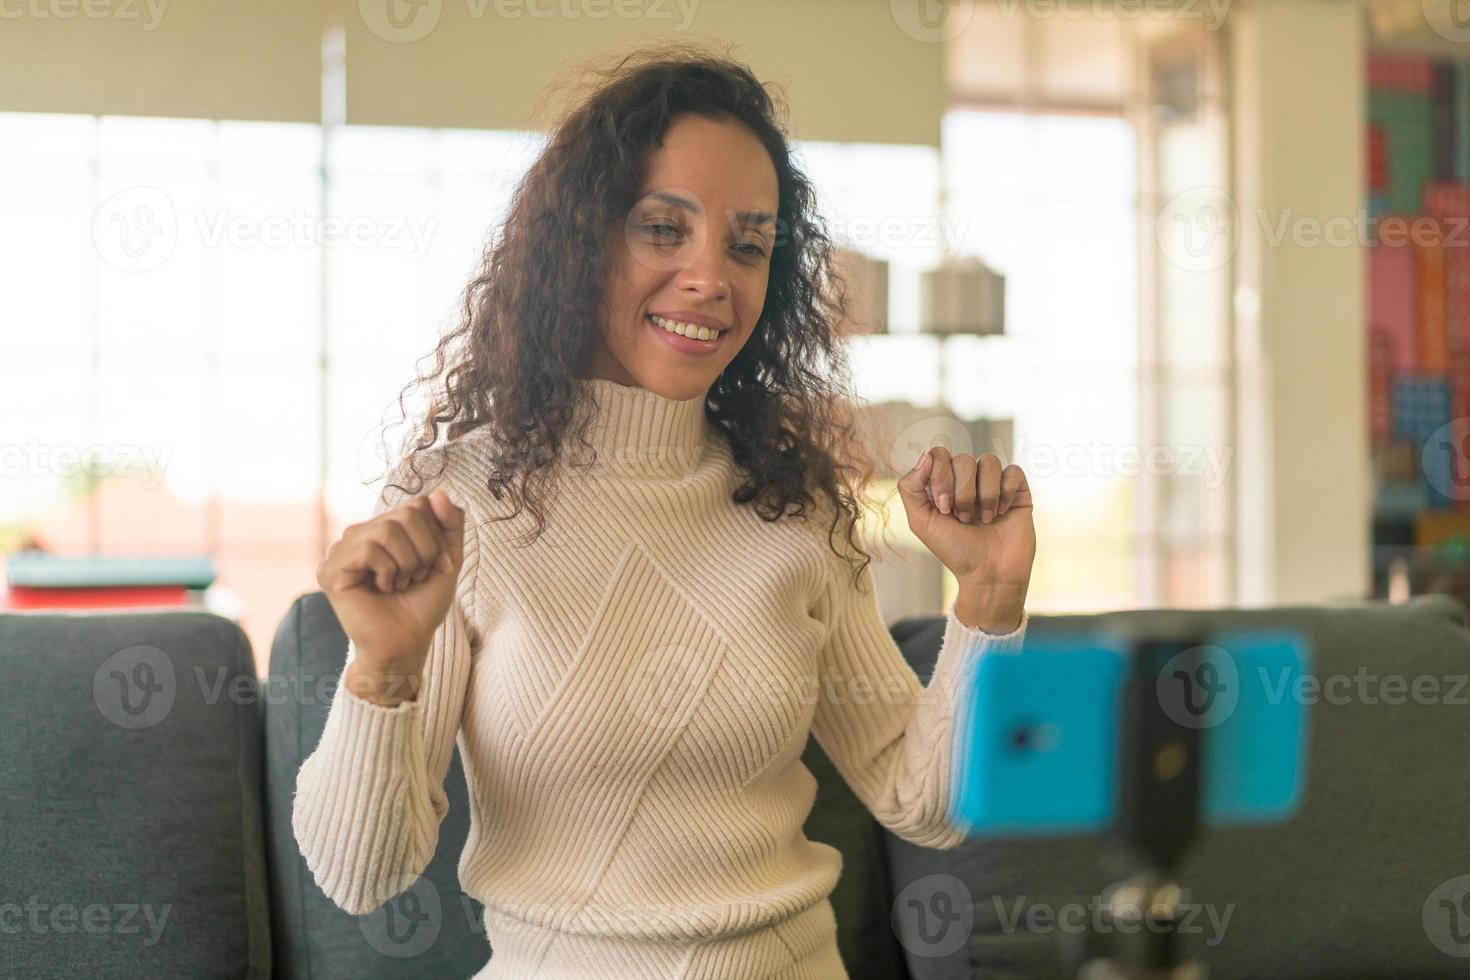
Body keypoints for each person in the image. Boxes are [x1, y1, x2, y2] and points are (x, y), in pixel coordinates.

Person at [295, 42, 1036, 979]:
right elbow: (362, 876)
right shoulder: (461, 504)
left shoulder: (793, 502)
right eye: (662, 228)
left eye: (748, 243)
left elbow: (923, 799)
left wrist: (989, 600)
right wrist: (385, 668)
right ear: (581, 242)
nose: (710, 278)